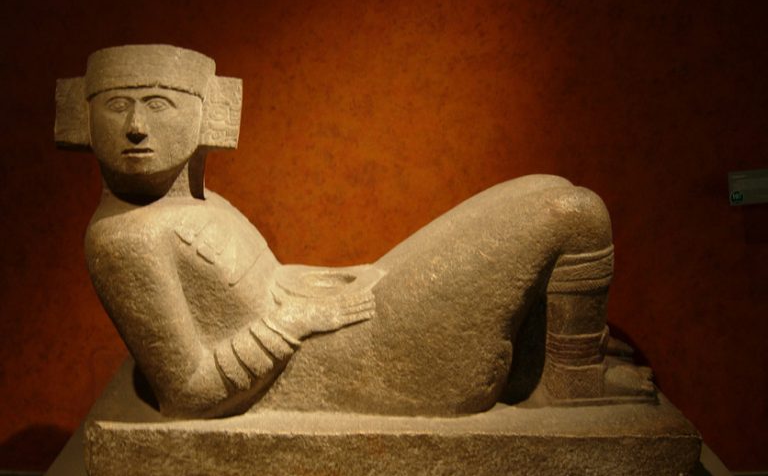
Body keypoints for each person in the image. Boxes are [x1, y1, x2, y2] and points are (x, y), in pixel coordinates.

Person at [57, 45, 653, 419]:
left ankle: (545, 360)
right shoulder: (124, 240)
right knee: (573, 212)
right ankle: (572, 379)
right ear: (81, 117)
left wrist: (327, 282)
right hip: (348, 359)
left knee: (546, 186)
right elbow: (188, 393)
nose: (136, 127)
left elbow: (264, 285)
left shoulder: (198, 200)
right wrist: (294, 321)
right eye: (116, 106)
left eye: (158, 104)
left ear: (206, 112)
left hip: (336, 323)